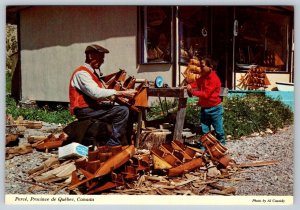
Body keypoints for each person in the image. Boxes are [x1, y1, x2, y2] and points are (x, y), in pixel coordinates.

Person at [69, 44, 136, 146]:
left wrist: (117, 98)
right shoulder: (81, 73)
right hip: (84, 110)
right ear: (91, 56)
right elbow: (95, 93)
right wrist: (121, 93)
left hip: (92, 108)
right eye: (100, 58)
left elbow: (101, 94)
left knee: (127, 109)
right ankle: (113, 144)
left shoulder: (92, 73)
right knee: (122, 111)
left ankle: (125, 141)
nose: (102, 61)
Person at [186, 57, 226, 145]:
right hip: (204, 108)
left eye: (202, 66)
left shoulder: (214, 79)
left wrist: (192, 91)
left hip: (215, 108)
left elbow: (206, 94)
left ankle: (222, 149)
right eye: (200, 66)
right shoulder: (203, 77)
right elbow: (196, 83)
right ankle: (205, 148)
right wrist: (190, 85)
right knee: (205, 131)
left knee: (219, 131)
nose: (200, 68)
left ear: (210, 67)